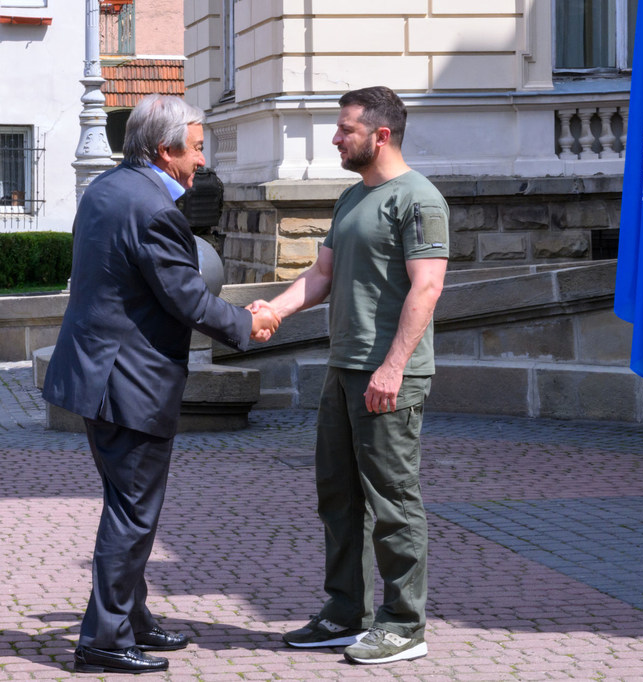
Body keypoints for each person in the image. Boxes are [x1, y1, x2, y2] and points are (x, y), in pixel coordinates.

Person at [42, 94, 279, 675]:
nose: (200, 162)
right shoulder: (153, 209)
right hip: (129, 384)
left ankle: (132, 619)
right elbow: (187, 297)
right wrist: (249, 323)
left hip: (99, 376)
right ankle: (102, 638)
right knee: (132, 513)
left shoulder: (104, 191)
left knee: (127, 506)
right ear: (165, 149)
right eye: (196, 149)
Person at [253, 86, 449, 665]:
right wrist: (272, 311)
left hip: (389, 375)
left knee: (393, 501)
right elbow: (321, 276)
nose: (336, 139)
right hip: (344, 370)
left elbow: (428, 287)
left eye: (345, 130)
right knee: (337, 497)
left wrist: (393, 366)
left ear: (380, 135)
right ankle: (345, 614)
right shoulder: (350, 199)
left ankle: (404, 623)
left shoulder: (418, 199)